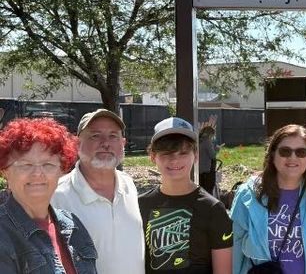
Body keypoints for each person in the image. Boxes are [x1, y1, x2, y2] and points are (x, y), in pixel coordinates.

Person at [230, 124, 306, 274]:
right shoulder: (248, 195)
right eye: (285, 151)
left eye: (301, 152)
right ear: (273, 155)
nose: (293, 157)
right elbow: (234, 249)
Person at [52, 109, 144, 274]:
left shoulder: (128, 184)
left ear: (122, 143)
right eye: (95, 136)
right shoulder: (57, 195)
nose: (106, 143)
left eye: (113, 136)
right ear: (77, 143)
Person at [0, 118, 97, 273]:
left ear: (62, 170)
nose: (38, 174)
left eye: (48, 165)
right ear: (5, 170)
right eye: (26, 165)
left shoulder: (73, 225)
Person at [138, 117, 233, 274]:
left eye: (183, 153)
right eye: (166, 153)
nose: (174, 160)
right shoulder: (140, 205)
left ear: (195, 156)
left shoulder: (213, 209)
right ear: (153, 157)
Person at [198, 126, 221, 194]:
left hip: (199, 169)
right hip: (207, 170)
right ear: (210, 134)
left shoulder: (199, 140)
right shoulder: (207, 141)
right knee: (208, 189)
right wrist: (217, 149)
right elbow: (213, 156)